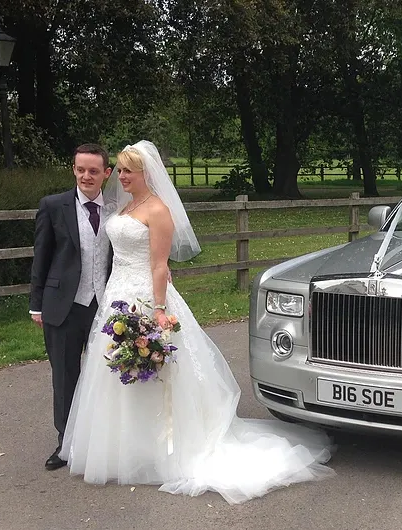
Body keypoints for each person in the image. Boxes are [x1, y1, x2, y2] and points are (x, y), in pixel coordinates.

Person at [57, 140, 335, 504]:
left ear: (147, 173)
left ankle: (164, 449)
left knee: (156, 372)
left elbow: (158, 264)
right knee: (113, 373)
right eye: (120, 170)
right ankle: (124, 447)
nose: (121, 176)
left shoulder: (157, 210)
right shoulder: (126, 205)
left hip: (144, 297)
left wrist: (157, 310)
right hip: (116, 295)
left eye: (129, 170)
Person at [29, 143, 114, 471]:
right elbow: (42, 256)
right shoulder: (53, 206)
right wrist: (36, 304)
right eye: (81, 169)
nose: (86, 176)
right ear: (73, 169)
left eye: (94, 171)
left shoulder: (116, 210)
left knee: (104, 375)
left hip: (104, 307)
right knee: (65, 376)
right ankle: (65, 444)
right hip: (62, 305)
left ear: (106, 173)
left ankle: (101, 439)